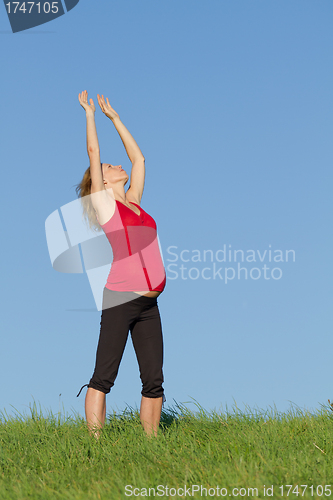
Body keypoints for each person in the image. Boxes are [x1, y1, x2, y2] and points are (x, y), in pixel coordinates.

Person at [76, 90, 166, 438]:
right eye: (111, 166)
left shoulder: (135, 202)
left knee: (154, 378)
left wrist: (116, 118)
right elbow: (93, 152)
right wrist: (90, 116)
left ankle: (151, 446)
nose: (119, 165)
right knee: (104, 375)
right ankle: (95, 447)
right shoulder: (106, 208)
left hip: (149, 302)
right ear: (102, 179)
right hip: (120, 298)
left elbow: (140, 158)